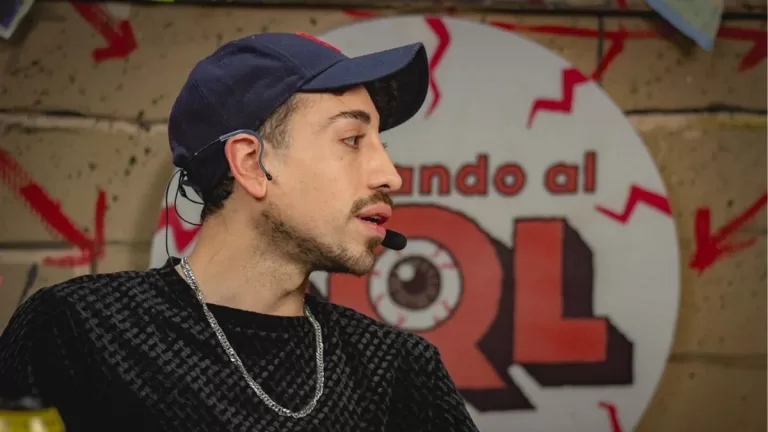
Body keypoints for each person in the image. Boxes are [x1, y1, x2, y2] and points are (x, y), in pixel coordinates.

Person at [0, 32, 479, 431]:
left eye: (382, 144)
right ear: (251, 163)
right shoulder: (80, 329)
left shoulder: (397, 369)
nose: (390, 176)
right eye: (353, 140)